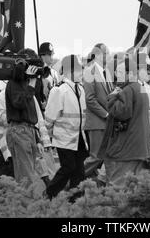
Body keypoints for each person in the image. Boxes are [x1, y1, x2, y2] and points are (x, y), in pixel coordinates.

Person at [99, 55, 150, 186]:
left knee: (118, 184)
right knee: (135, 184)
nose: (117, 76)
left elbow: (120, 112)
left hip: (128, 145)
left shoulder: (128, 90)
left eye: (121, 72)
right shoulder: (139, 87)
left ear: (130, 73)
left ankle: (112, 206)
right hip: (139, 145)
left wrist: (112, 97)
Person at [45, 55, 88, 199]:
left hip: (79, 138)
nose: (82, 72)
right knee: (68, 168)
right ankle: (49, 193)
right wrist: (48, 137)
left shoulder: (81, 89)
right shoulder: (59, 90)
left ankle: (75, 200)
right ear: (70, 71)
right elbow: (50, 117)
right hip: (64, 139)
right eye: (79, 69)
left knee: (79, 172)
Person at [5, 49, 45, 187]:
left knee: (28, 175)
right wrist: (31, 85)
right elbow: (19, 104)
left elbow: (31, 114)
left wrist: (38, 139)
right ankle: (26, 205)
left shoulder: (26, 83)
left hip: (29, 131)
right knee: (26, 177)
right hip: (19, 130)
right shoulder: (14, 83)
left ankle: (22, 204)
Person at [83, 43, 113, 183]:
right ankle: (74, 179)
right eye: (106, 53)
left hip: (106, 122)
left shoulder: (106, 71)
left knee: (106, 157)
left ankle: (97, 186)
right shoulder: (89, 71)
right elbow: (90, 99)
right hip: (97, 122)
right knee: (96, 157)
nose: (108, 56)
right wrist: (106, 114)